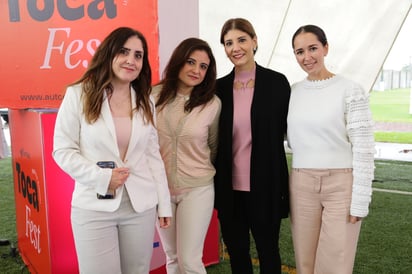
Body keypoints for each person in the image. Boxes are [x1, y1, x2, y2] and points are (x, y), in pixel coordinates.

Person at [52, 27, 172, 274]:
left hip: (140, 207)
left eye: (138, 55)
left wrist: (163, 203)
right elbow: (62, 150)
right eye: (124, 52)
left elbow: (152, 155)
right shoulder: (78, 94)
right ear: (109, 54)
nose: (131, 60)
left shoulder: (145, 100)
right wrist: (102, 178)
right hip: (94, 208)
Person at [287, 24, 375, 274]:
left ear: (326, 48)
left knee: (336, 261)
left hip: (341, 185)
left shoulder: (350, 90)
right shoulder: (293, 91)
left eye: (313, 48)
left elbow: (365, 149)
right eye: (299, 51)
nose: (307, 57)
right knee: (304, 261)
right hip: (301, 184)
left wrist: (360, 201)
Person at [214, 18, 291, 274]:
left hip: (266, 185)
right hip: (228, 188)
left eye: (241, 40)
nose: (235, 47)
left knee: (268, 251)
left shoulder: (278, 83)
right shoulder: (218, 89)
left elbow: (289, 132)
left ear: (254, 41)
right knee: (237, 253)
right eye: (228, 43)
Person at [152, 37, 221, 274]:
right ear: (179, 61)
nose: (196, 70)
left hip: (197, 189)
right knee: (172, 258)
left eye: (203, 66)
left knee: (190, 261)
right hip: (161, 191)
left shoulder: (212, 103)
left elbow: (213, 147)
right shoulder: (152, 96)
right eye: (191, 62)